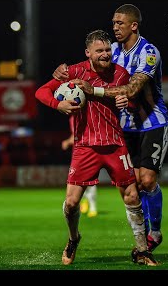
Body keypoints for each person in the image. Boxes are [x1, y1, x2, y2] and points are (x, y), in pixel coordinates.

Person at [53, 4, 168, 257]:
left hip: (152, 123)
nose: (114, 27)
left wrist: (93, 91)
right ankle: (143, 237)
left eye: (120, 23)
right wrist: (63, 72)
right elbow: (91, 66)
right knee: (130, 187)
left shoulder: (148, 52)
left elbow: (132, 89)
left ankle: (155, 232)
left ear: (133, 25)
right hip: (123, 126)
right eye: (113, 23)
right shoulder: (112, 51)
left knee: (147, 180)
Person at [36, 29, 157, 266]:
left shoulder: (120, 73)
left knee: (132, 196)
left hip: (114, 144)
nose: (105, 54)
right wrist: (57, 104)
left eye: (108, 50)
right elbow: (41, 91)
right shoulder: (74, 71)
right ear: (88, 53)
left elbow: (132, 100)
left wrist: (126, 102)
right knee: (71, 203)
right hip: (85, 146)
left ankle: (142, 250)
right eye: (99, 50)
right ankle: (73, 238)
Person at [62, 116, 98, 218]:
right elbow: (75, 134)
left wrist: (67, 142)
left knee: (91, 182)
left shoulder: (89, 115)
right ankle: (85, 201)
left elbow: (84, 135)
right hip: (78, 155)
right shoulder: (72, 118)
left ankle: (93, 207)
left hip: (89, 153)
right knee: (78, 182)